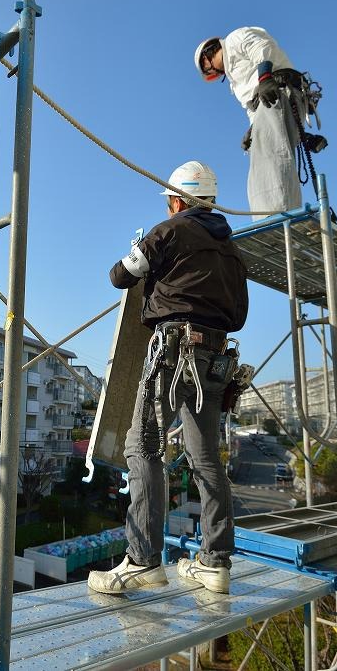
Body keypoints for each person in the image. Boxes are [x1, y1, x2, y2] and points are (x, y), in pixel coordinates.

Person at [87, 161, 248, 595]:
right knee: (206, 458)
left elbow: (119, 275)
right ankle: (214, 563)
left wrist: (149, 257)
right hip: (216, 359)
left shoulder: (169, 231)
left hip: (175, 350)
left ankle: (142, 562)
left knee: (142, 446)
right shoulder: (233, 252)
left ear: (177, 200)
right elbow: (240, 315)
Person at [195, 28, 325, 217]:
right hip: (268, 101)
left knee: (273, 159)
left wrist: (265, 77)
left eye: (209, 68)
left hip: (276, 91)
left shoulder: (234, 39)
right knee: (261, 164)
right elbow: (251, 108)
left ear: (207, 54)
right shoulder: (234, 80)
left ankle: (278, 216)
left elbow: (262, 47)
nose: (214, 72)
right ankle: (266, 215)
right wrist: (253, 129)